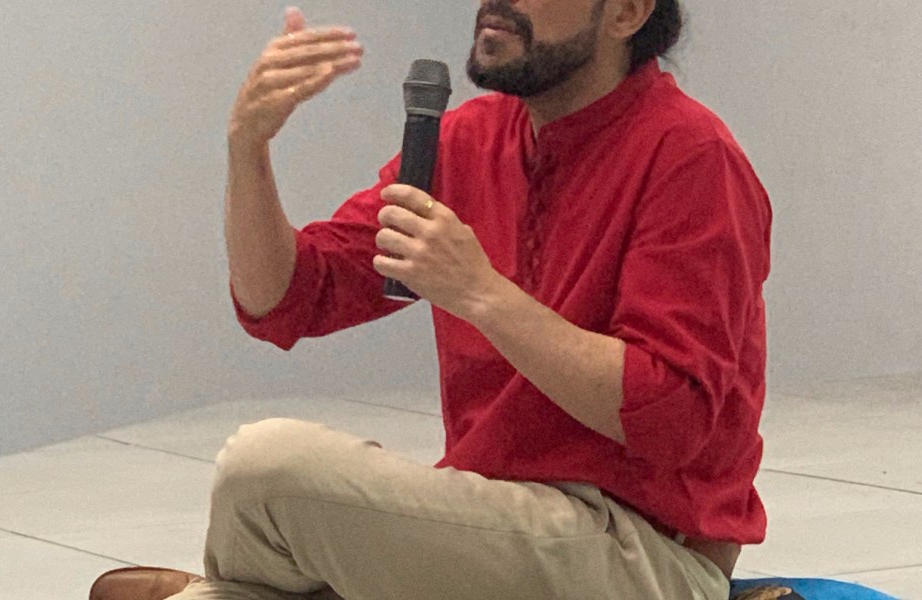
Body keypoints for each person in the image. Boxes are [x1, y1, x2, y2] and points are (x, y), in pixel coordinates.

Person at [92, 1, 772, 599]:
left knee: (265, 470)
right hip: (492, 521)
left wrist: (482, 293)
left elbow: (673, 418)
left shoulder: (692, 156)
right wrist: (248, 149)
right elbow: (288, 297)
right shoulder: (470, 138)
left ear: (625, 12)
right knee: (250, 491)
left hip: (643, 554)